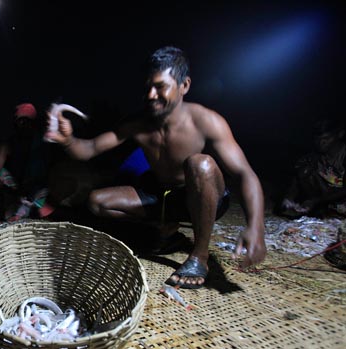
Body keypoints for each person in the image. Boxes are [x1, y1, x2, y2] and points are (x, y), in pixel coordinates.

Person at [45, 46, 266, 289]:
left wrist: (255, 227)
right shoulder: (137, 123)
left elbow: (245, 174)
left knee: (200, 163)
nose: (151, 94)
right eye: (147, 87)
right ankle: (164, 234)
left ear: (184, 86)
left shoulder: (206, 121)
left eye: (160, 86)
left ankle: (199, 256)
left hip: (203, 197)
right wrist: (67, 140)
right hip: (163, 198)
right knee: (97, 201)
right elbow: (89, 149)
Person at [0, 103, 54, 221]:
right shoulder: (7, 144)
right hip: (16, 189)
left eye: (28, 121)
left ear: (34, 122)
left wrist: (39, 191)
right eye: (21, 121)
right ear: (15, 123)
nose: (24, 125)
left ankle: (36, 208)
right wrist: (14, 191)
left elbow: (52, 170)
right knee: (9, 216)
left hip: (40, 189)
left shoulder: (44, 142)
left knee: (46, 216)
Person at [279, 119, 346, 218]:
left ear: (340, 134)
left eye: (326, 138)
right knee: (305, 167)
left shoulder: (343, 156)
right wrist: (289, 198)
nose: (321, 142)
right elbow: (296, 183)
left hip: (337, 200)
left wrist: (317, 200)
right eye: (317, 139)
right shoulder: (310, 158)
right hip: (321, 202)